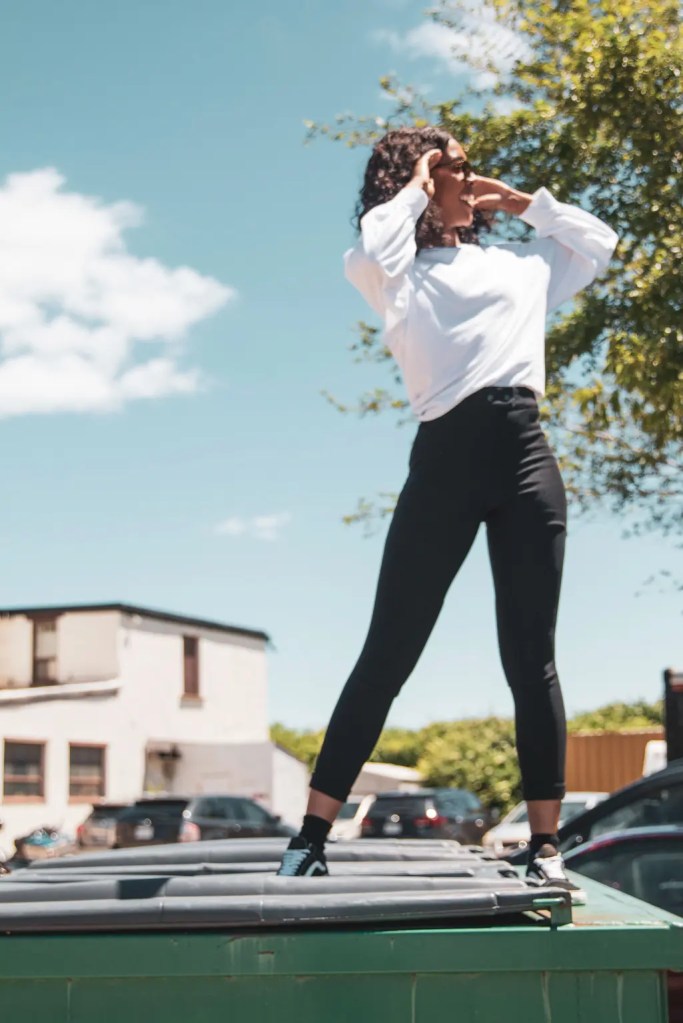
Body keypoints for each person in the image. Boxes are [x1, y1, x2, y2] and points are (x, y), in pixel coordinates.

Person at [276, 125, 618, 901]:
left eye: (464, 166)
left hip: (527, 456)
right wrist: (422, 177)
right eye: (454, 168)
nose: (468, 178)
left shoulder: (517, 263)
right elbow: (372, 243)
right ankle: (310, 837)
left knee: (531, 657)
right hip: (444, 462)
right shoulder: (395, 273)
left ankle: (544, 844)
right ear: (422, 180)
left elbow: (597, 244)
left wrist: (526, 202)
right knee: (387, 652)